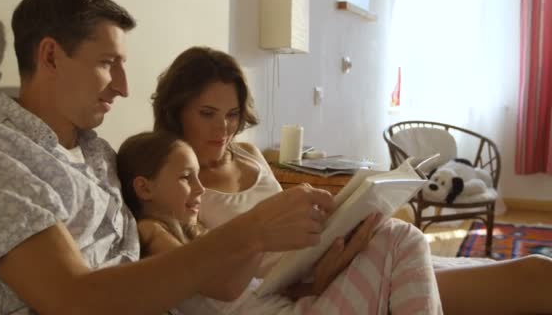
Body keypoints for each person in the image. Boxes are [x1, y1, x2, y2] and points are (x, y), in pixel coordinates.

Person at [0, 0, 362, 314]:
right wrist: (251, 230)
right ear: (51, 55)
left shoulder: (100, 156)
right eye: (108, 63)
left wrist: (282, 253)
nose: (123, 87)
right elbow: (71, 299)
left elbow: (220, 285)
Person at [151, 46, 552, 315]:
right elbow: (228, 287)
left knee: (535, 270)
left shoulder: (249, 154)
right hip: (313, 284)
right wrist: (317, 279)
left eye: (232, 114)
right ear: (176, 110)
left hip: (333, 258)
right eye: (207, 113)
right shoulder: (175, 185)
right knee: (528, 278)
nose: (223, 128)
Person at [116, 130, 443, 314]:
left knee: (388, 233)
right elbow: (223, 287)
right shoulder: (151, 232)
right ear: (145, 187)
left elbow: (249, 287)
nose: (201, 189)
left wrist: (315, 276)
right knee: (402, 238)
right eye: (187, 178)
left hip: (292, 304)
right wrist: (261, 235)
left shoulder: (191, 229)